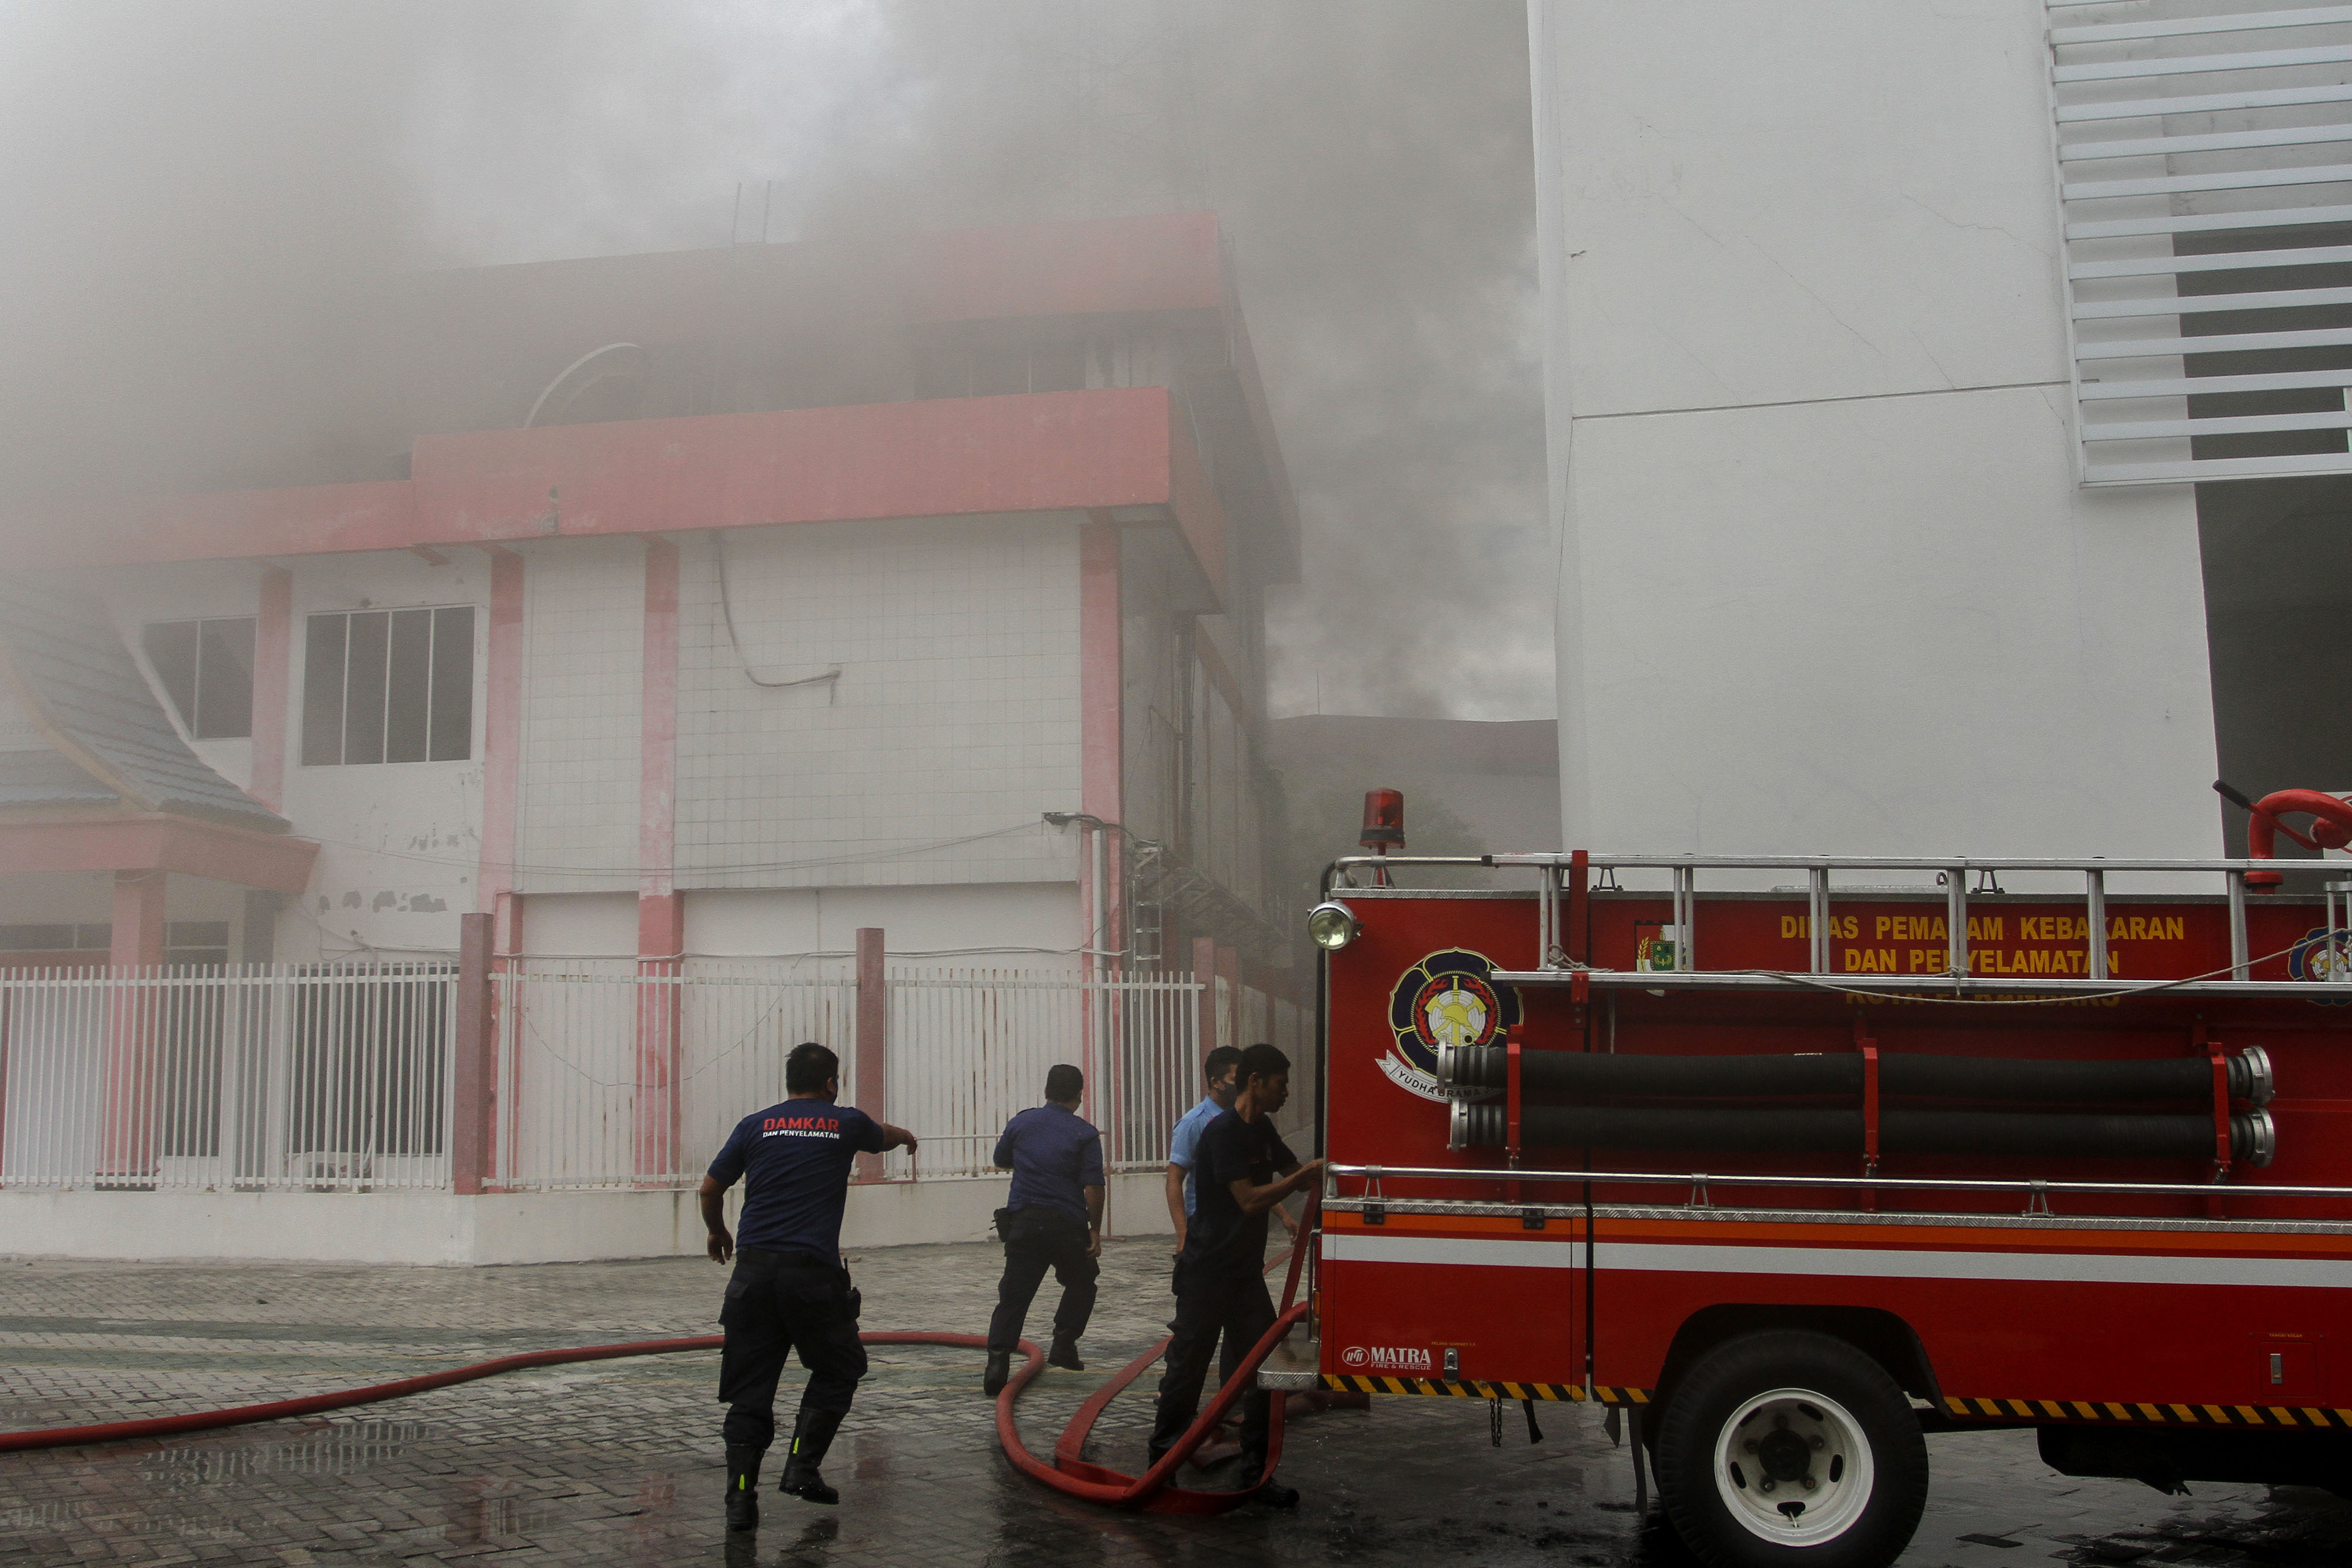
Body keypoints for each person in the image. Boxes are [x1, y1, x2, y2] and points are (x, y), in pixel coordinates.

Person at [700, 1041, 918, 1533]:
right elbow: (881, 1136)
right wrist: (906, 1136)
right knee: (841, 1366)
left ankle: (739, 1500)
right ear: (830, 1083)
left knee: (750, 1392)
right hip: (811, 1278)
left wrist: (717, 1230)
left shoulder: (755, 1124)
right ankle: (802, 1465)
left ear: (788, 1082)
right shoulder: (844, 1121)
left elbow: (710, 1188)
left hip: (752, 1275)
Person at [1146, 1041, 1324, 1507]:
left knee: (1265, 1367)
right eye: (1281, 1084)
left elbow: (1295, 1172)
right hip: (1206, 1272)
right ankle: (1161, 1467)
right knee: (1187, 1367)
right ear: (1255, 1081)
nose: (1286, 1092)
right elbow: (1248, 1199)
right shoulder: (1221, 1133)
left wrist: (1328, 1172)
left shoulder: (1262, 1128)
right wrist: (1302, 1175)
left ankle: (1255, 1471)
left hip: (1244, 1276)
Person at [981, 1063, 1105, 1395]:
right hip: (1067, 1226)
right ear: (1079, 1095)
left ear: (1047, 1091)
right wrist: (1095, 1230)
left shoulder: (1021, 1123)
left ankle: (997, 1364)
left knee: (1014, 1296)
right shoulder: (1085, 1133)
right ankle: (1064, 1345)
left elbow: (1001, 1160)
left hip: (1024, 1225)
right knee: (1082, 1282)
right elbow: (1094, 1186)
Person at [1165, 1044, 1297, 1256]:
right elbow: (1174, 1179)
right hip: (1207, 1227)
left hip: (1239, 1230)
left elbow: (1252, 1182)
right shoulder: (1196, 1123)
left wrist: (1283, 1215)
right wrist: (1183, 1235)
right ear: (1216, 1083)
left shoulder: (1253, 1123)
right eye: (1235, 1079)